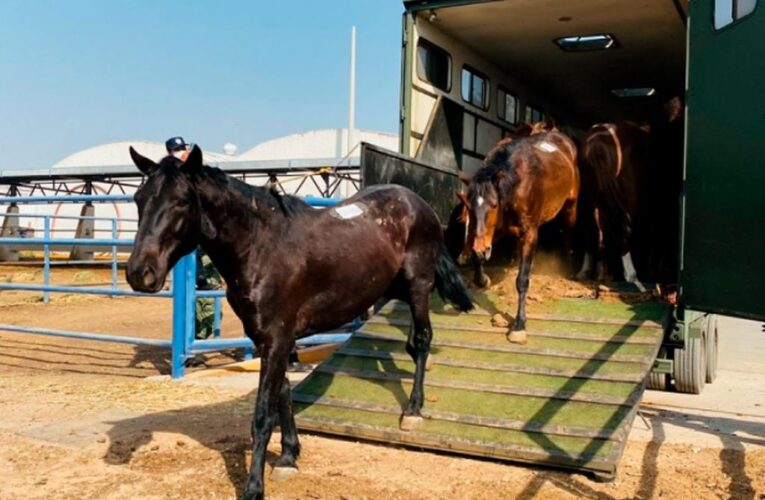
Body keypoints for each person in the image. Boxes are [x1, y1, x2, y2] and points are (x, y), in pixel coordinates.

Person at [163, 137, 223, 345]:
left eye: (183, 148)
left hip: (206, 247)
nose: (182, 152)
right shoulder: (170, 179)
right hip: (188, 249)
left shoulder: (198, 175)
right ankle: (191, 342)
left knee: (209, 293)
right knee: (189, 295)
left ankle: (202, 339)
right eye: (177, 150)